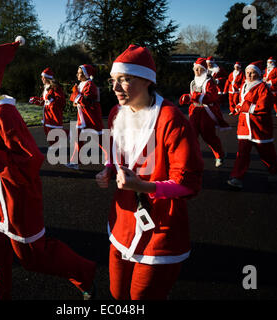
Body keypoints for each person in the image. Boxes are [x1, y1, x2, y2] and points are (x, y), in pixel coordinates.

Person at [0, 36, 96, 300]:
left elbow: (29, 164)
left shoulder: (3, 114)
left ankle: (84, 271)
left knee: (34, 259)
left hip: (19, 203)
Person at [96, 44, 203, 300]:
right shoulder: (115, 113)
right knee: (117, 293)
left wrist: (144, 187)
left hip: (161, 226)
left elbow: (188, 183)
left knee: (141, 297)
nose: (115, 87)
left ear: (146, 80)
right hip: (123, 220)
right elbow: (117, 153)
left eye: (125, 79)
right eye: (113, 80)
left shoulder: (171, 119)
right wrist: (108, 170)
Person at [227, 61, 277, 190]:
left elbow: (264, 106)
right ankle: (236, 177)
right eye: (248, 73)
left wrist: (245, 107)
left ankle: (273, 170)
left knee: (266, 153)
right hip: (244, 125)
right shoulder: (244, 85)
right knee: (242, 153)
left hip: (259, 126)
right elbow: (242, 101)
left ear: (259, 74)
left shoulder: (263, 87)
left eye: (253, 73)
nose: (249, 75)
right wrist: (239, 106)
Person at [179, 57, 230, 168]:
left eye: (199, 69)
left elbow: (212, 96)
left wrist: (194, 97)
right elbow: (192, 95)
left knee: (209, 137)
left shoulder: (209, 82)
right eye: (195, 69)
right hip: (195, 111)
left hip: (206, 112)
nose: (196, 71)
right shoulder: (193, 82)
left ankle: (219, 155)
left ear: (204, 70)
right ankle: (191, 158)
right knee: (191, 135)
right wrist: (186, 98)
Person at [67, 64, 104, 170]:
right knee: (77, 138)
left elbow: (85, 101)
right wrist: (76, 95)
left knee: (101, 140)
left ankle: (115, 161)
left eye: (79, 72)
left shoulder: (90, 85)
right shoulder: (80, 85)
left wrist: (76, 94)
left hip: (91, 117)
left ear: (85, 74)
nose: (77, 74)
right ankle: (75, 162)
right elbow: (74, 101)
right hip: (82, 117)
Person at [29, 67, 65, 146]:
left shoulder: (55, 88)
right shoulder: (46, 87)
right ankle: (55, 146)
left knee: (52, 133)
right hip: (47, 115)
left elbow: (61, 101)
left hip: (53, 114)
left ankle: (56, 147)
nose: (41, 79)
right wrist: (36, 100)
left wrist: (52, 100)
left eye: (43, 77)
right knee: (48, 132)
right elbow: (45, 101)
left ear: (47, 78)